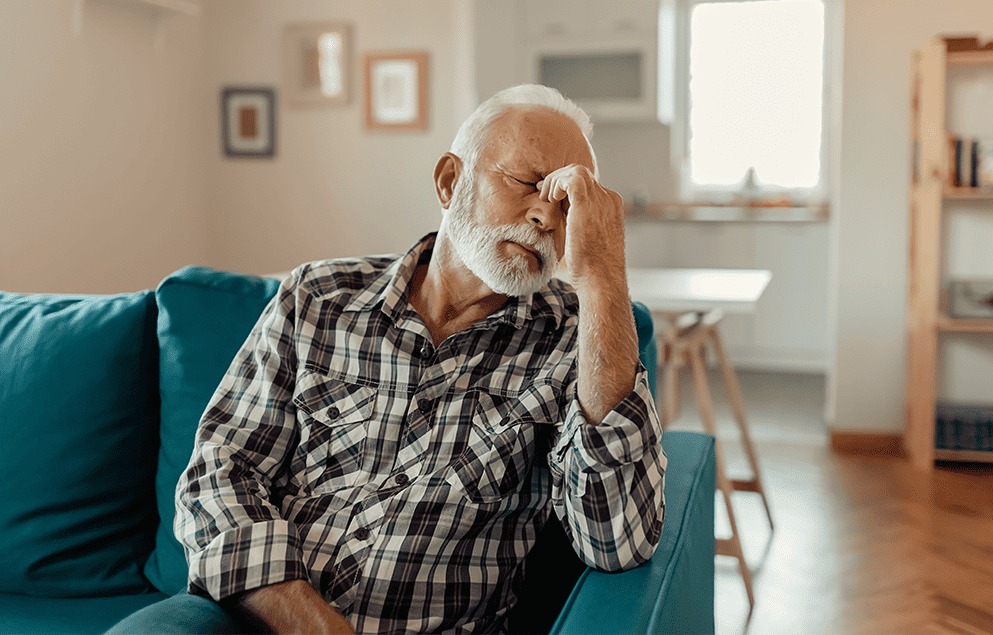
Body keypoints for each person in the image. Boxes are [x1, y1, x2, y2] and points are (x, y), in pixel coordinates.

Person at [174, 84, 666, 634]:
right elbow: (219, 472)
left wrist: (603, 273)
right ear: (450, 181)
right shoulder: (317, 296)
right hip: (249, 619)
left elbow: (619, 541)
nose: (546, 219)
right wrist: (306, 620)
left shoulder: (572, 340)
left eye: (567, 207)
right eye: (529, 183)